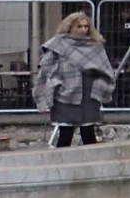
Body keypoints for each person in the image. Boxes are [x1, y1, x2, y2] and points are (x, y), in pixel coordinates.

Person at [35, 11, 117, 147]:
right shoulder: (59, 44)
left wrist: (101, 85)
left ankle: (91, 164)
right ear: (70, 27)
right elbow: (46, 69)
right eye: (79, 26)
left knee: (88, 132)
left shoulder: (95, 45)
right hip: (65, 93)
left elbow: (105, 68)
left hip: (89, 93)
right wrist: (50, 88)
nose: (83, 30)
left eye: (86, 26)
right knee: (65, 133)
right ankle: (61, 166)